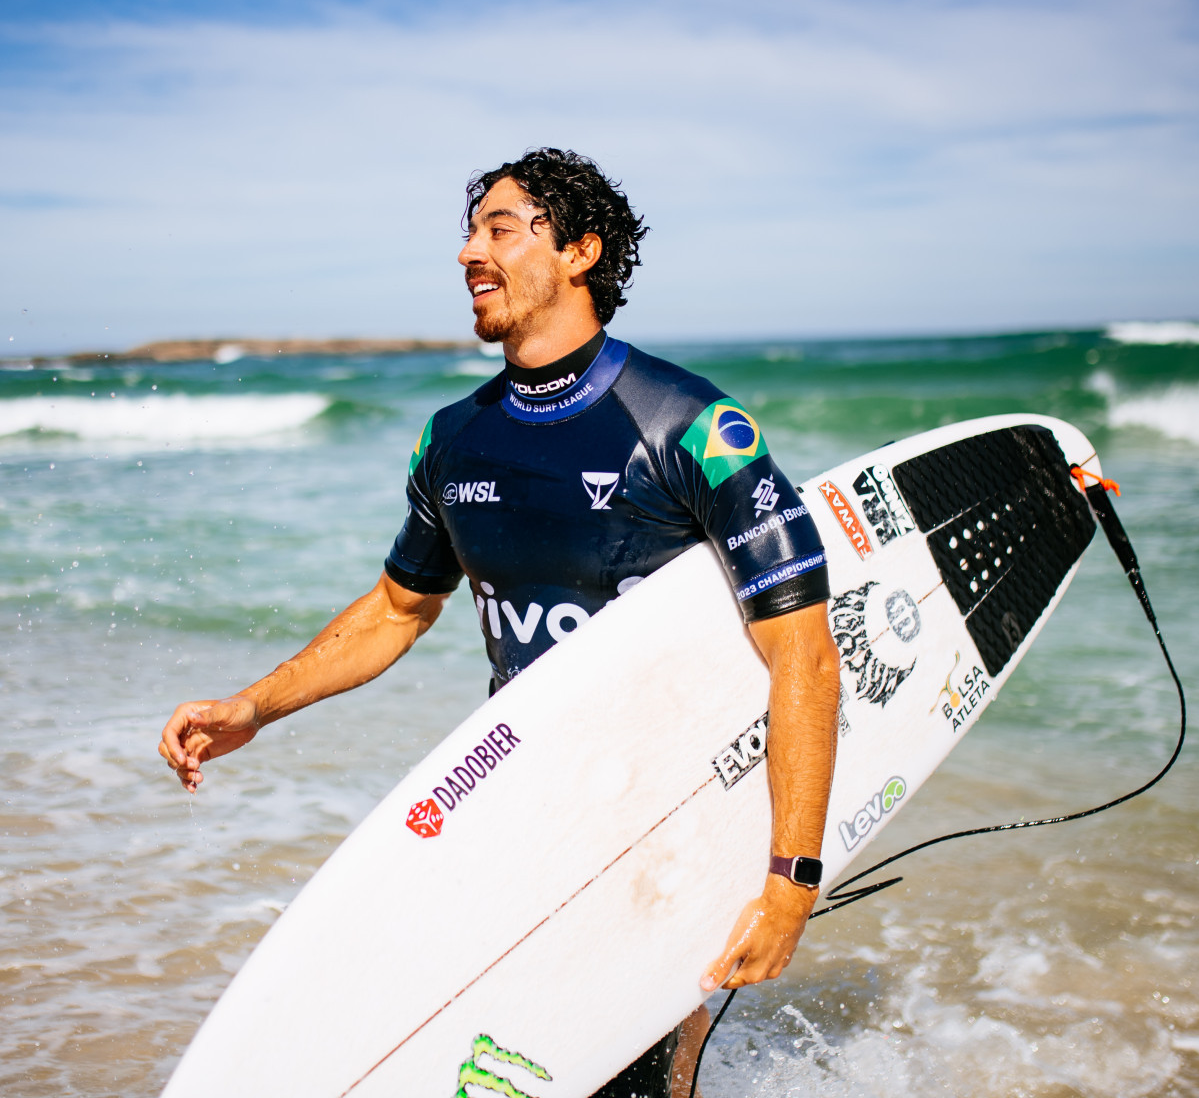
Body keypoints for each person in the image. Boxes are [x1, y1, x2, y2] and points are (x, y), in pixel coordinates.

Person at [159, 148, 841, 1098]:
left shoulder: (688, 425)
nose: (469, 252)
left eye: (501, 228)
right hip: (526, 807)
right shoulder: (454, 437)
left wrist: (789, 884)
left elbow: (803, 652)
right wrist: (254, 707)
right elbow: (401, 605)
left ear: (579, 251)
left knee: (644, 1081)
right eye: (470, 230)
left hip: (670, 815)